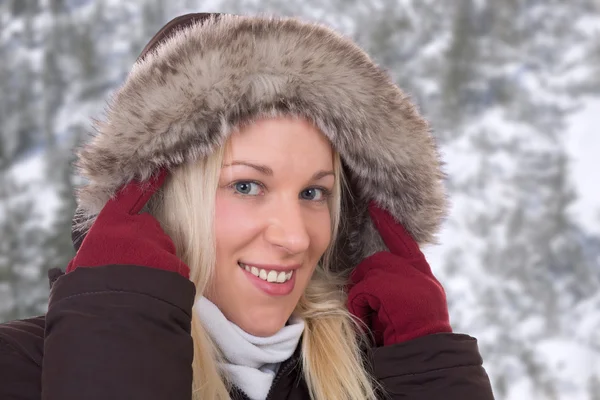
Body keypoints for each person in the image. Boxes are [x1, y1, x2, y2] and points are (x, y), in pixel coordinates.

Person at [0, 12, 495, 400]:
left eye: (313, 193)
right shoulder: (20, 370)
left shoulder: (379, 377)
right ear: (157, 201)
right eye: (246, 186)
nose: (296, 237)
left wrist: (428, 369)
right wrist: (117, 337)